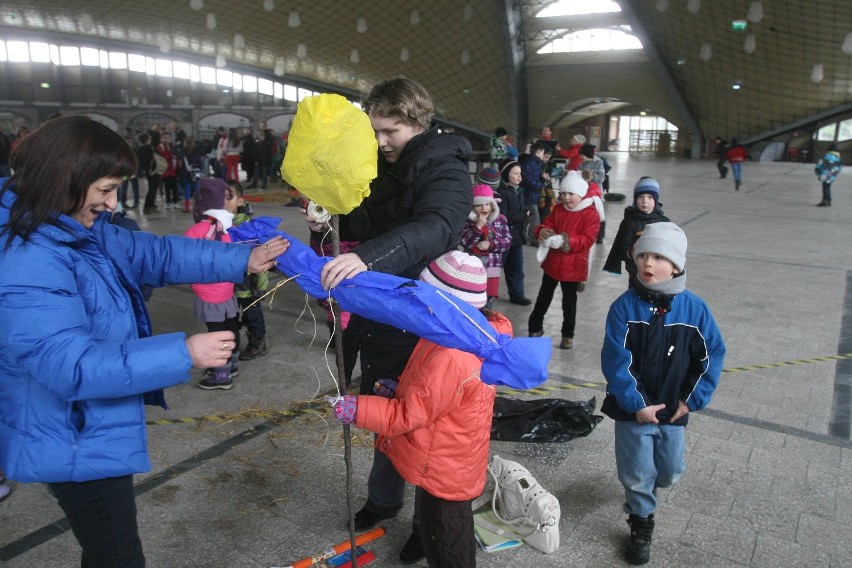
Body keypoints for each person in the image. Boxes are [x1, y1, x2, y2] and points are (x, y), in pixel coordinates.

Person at [0, 115, 287, 567]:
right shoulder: (28, 257)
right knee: (116, 556)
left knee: (109, 549)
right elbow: (67, 366)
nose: (113, 204)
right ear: (63, 180)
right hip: (72, 433)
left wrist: (241, 258)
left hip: (92, 420)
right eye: (105, 190)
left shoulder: (76, 226)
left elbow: (156, 253)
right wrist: (183, 353)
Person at [318, 76, 473, 563]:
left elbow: (438, 226)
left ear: (419, 122)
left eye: (391, 131)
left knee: (425, 426)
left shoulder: (446, 168)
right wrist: (329, 217)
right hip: (382, 312)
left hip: (423, 316)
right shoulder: (382, 164)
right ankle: (383, 501)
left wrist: (369, 256)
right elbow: (366, 218)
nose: (381, 141)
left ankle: (425, 524)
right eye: (375, 131)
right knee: (386, 408)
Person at [329, 251, 513, 567]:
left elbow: (408, 415)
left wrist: (356, 409)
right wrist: (397, 389)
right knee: (445, 531)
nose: (417, 306)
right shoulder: (458, 335)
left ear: (447, 305)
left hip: (445, 471)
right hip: (450, 459)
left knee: (446, 542)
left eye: (425, 299)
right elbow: (431, 397)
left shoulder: (451, 356)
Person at [600, 222, 725, 565]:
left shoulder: (694, 310)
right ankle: (641, 522)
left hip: (673, 408)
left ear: (677, 266)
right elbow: (616, 361)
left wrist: (690, 400)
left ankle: (648, 491)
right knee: (638, 473)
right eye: (643, 256)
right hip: (633, 411)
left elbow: (711, 354)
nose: (648, 264)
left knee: (668, 472)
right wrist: (636, 405)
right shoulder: (624, 308)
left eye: (658, 257)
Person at [186, 177, 246, 390]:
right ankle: (233, 362)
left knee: (216, 333)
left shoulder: (195, 232)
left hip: (209, 293)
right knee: (231, 327)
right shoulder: (229, 228)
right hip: (228, 290)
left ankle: (221, 373)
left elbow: (185, 261)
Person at [528, 171, 599, 349]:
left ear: (581, 194)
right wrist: (543, 231)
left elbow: (587, 239)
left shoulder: (590, 213)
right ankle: (534, 327)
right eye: (564, 193)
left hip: (573, 267)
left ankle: (568, 335)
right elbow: (548, 223)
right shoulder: (559, 209)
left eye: (571, 194)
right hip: (553, 264)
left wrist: (566, 240)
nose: (566, 198)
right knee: (543, 297)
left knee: (569, 303)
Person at [603, 177, 671, 288]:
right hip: (636, 273)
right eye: (640, 197)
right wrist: (632, 251)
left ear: (656, 199)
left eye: (650, 197)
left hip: (658, 274)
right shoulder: (630, 222)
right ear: (635, 199)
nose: (645, 201)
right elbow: (622, 248)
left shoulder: (664, 221)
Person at [231, 181, 272, 360]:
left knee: (251, 314)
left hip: (248, 281)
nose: (222, 201)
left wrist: (261, 286)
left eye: (228, 196)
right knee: (230, 315)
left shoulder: (249, 226)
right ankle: (231, 345)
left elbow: (262, 254)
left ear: (240, 201)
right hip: (227, 282)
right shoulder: (216, 224)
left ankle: (258, 342)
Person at [460, 184, 511, 310]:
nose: (484, 208)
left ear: (492, 205)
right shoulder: (468, 222)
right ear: (472, 207)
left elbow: (507, 241)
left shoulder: (500, 220)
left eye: (487, 204)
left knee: (486, 300)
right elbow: (466, 242)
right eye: (479, 205)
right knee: (471, 298)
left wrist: (490, 244)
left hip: (491, 269)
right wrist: (478, 226)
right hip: (472, 269)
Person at [493, 160, 531, 305]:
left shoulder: (519, 191)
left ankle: (517, 295)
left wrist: (524, 213)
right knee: (495, 268)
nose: (519, 177)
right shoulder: (502, 193)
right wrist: (524, 216)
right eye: (515, 173)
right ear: (505, 174)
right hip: (503, 238)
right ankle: (487, 295)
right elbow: (504, 217)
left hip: (517, 238)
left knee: (516, 270)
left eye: (520, 174)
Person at [519, 142, 549, 244]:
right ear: (539, 151)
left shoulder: (532, 163)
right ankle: (534, 238)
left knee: (527, 217)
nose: (543, 155)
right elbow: (530, 180)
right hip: (529, 195)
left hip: (528, 194)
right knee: (534, 217)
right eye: (543, 152)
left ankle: (527, 236)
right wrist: (542, 182)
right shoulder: (532, 163)